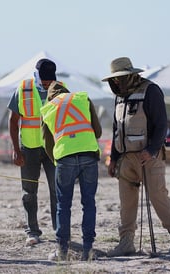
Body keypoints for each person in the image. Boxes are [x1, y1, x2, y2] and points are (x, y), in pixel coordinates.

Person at [102, 57, 170, 256]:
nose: (115, 82)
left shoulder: (151, 91)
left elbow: (161, 124)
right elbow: (116, 129)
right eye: (113, 79)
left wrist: (152, 149)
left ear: (130, 75)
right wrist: (113, 158)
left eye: (119, 78)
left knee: (158, 197)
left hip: (149, 156)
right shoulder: (119, 97)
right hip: (125, 159)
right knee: (127, 202)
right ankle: (126, 242)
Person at [40, 81, 102, 261]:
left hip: (65, 158)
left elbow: (47, 143)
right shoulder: (83, 99)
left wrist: (58, 162)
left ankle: (62, 251)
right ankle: (88, 251)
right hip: (89, 155)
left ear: (50, 96)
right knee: (88, 203)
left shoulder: (48, 108)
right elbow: (97, 132)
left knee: (63, 205)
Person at [7, 58, 59, 246]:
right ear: (36, 75)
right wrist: (16, 150)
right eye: (43, 79)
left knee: (57, 189)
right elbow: (13, 122)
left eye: (49, 80)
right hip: (28, 150)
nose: (46, 83)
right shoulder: (23, 89)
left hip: (54, 149)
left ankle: (59, 231)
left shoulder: (61, 89)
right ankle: (32, 231)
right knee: (29, 192)